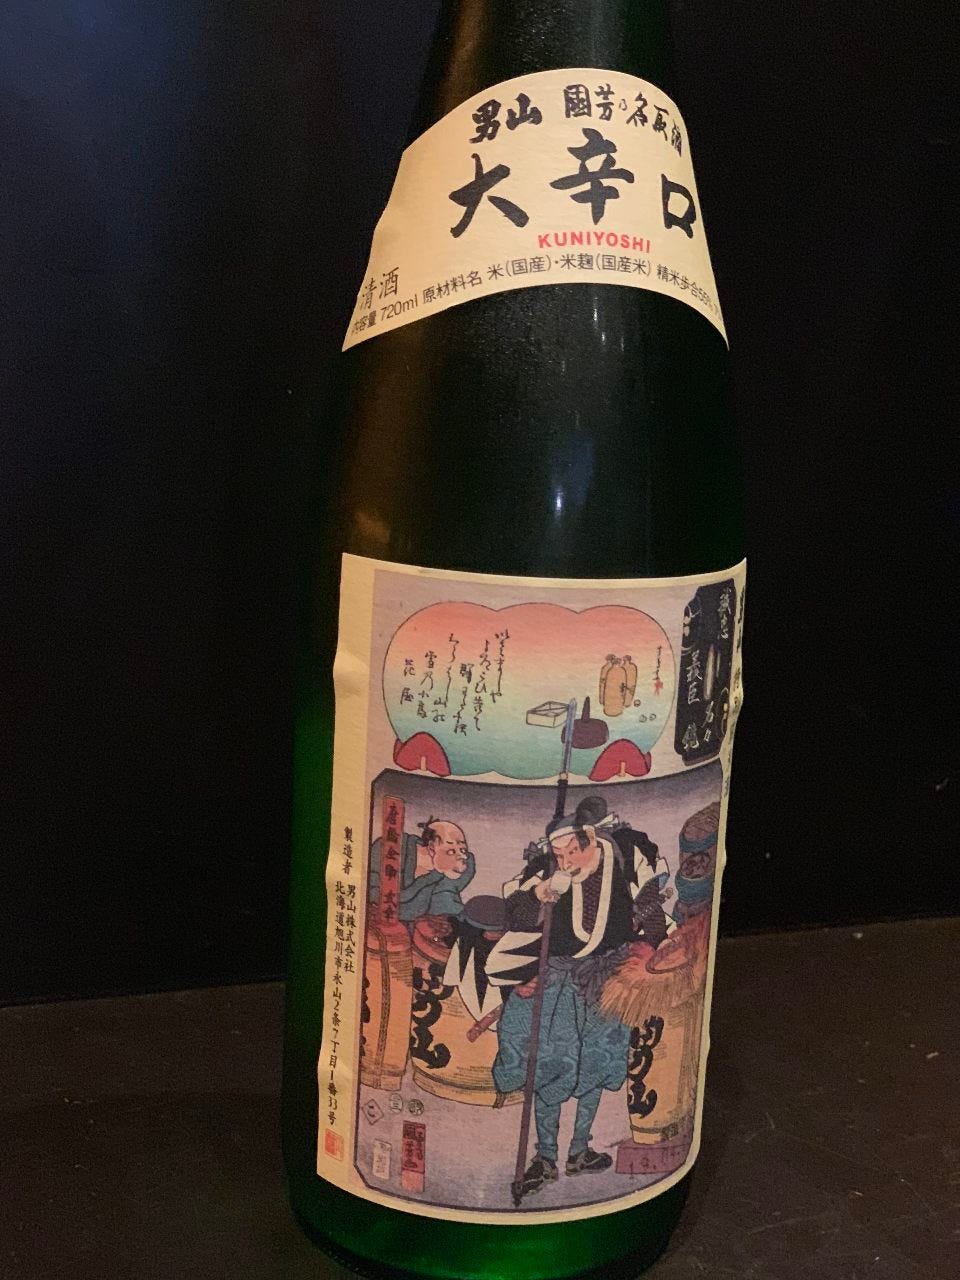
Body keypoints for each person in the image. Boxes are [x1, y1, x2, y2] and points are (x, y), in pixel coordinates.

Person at [486, 796, 669, 1197]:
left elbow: (651, 907)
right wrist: (541, 894)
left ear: (590, 837)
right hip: (556, 978)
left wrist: (650, 949)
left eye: (573, 851)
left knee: (597, 1064)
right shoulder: (547, 869)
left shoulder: (626, 856)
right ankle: (545, 1157)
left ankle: (579, 1150)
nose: (566, 860)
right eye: (559, 854)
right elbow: (513, 913)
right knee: (548, 1066)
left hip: (608, 977)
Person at [369, 817, 476, 924]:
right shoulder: (391, 848)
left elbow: (446, 898)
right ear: (432, 847)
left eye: (463, 849)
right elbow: (377, 894)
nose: (463, 856)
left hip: (420, 925)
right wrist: (427, 879)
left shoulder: (452, 867)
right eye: (451, 851)